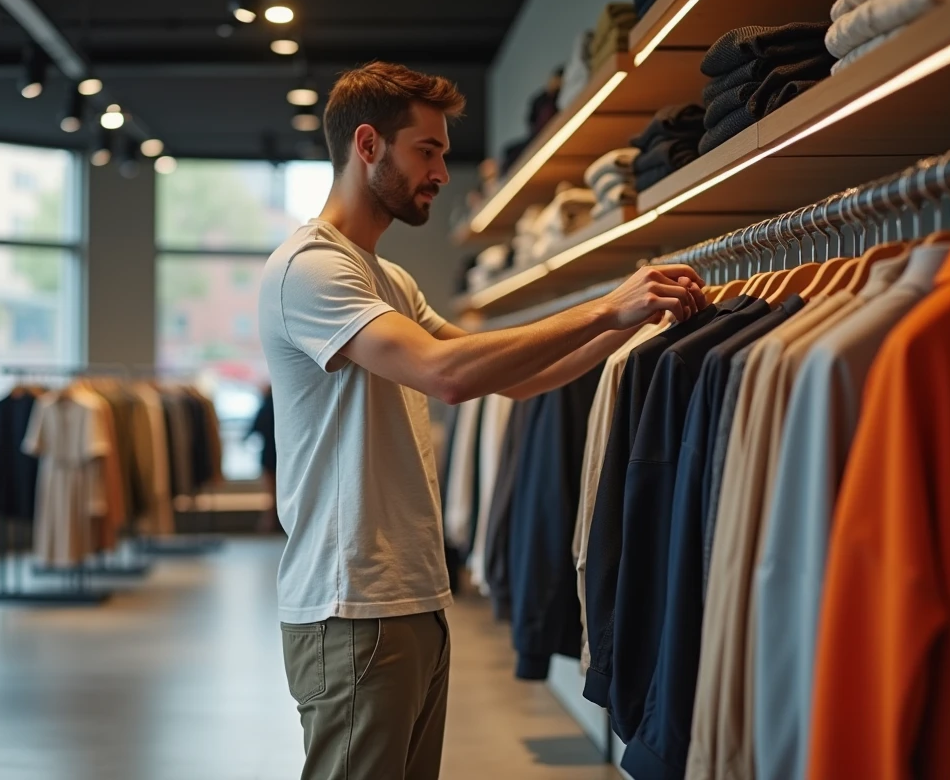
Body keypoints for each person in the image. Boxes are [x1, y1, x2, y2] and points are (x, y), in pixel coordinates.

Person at [257, 60, 705, 780]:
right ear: (367, 144)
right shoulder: (310, 268)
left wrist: (627, 329)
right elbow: (448, 376)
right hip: (352, 607)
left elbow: (514, 377)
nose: (440, 171)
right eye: (425, 151)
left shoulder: (389, 278)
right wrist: (603, 307)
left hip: (409, 599)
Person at [246, 386, 279, 533]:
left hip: (268, 456)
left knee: (271, 494)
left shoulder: (264, 408)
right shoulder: (282, 407)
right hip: (283, 456)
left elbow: (254, 430)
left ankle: (268, 524)